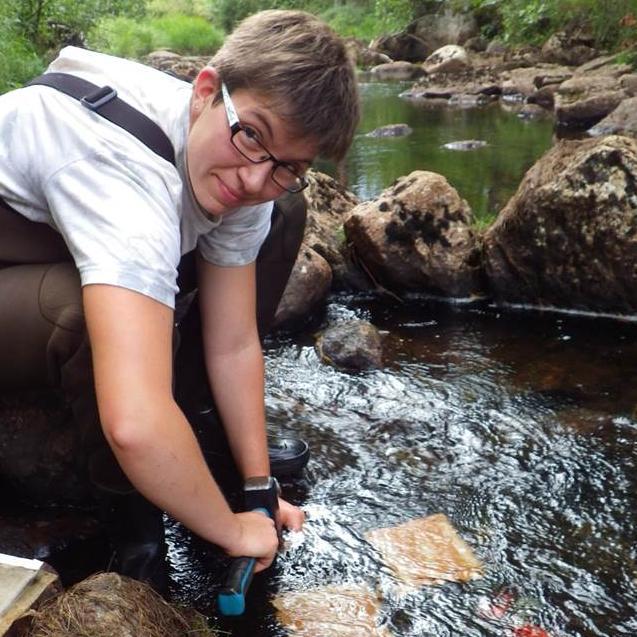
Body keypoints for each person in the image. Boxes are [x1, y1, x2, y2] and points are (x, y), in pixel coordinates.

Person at [0, 10, 359, 589]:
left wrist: (256, 488)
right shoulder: (124, 183)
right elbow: (135, 424)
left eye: (287, 165)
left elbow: (235, 342)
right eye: (253, 137)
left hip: (62, 235)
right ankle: (132, 530)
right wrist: (232, 531)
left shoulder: (239, 152)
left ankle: (193, 434)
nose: (251, 178)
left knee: (279, 213)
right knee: (88, 316)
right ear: (207, 90)